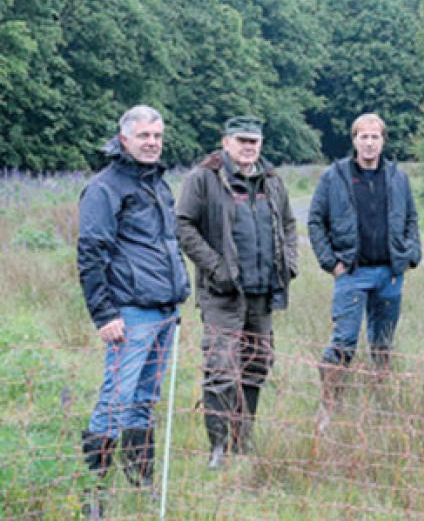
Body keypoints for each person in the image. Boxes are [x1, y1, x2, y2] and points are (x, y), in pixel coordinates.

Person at [77, 105, 190, 517]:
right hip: (130, 312)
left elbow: (166, 244)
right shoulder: (105, 188)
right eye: (144, 136)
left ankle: (140, 486)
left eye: (157, 136)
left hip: (164, 311)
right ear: (124, 138)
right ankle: (93, 493)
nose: (152, 142)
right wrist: (105, 314)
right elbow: (91, 253)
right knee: (116, 399)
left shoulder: (158, 184)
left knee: (145, 400)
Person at [176, 115, 298, 468]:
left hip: (263, 294)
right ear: (225, 142)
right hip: (223, 295)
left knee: (256, 366)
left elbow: (289, 224)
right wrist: (215, 267)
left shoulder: (272, 181)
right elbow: (184, 225)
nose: (248, 147)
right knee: (220, 368)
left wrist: (288, 263)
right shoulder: (204, 179)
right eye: (241, 140)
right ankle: (218, 447)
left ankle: (242, 442)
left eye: (254, 141)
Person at [308, 113, 421, 430]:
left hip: (390, 274)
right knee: (344, 341)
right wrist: (330, 262)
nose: (369, 143)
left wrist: (410, 257)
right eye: (363, 137)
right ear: (354, 140)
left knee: (383, 343)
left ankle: (383, 406)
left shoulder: (398, 178)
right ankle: (329, 408)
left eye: (375, 137)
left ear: (383, 140)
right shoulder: (335, 176)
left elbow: (411, 219)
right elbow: (316, 221)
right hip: (352, 273)